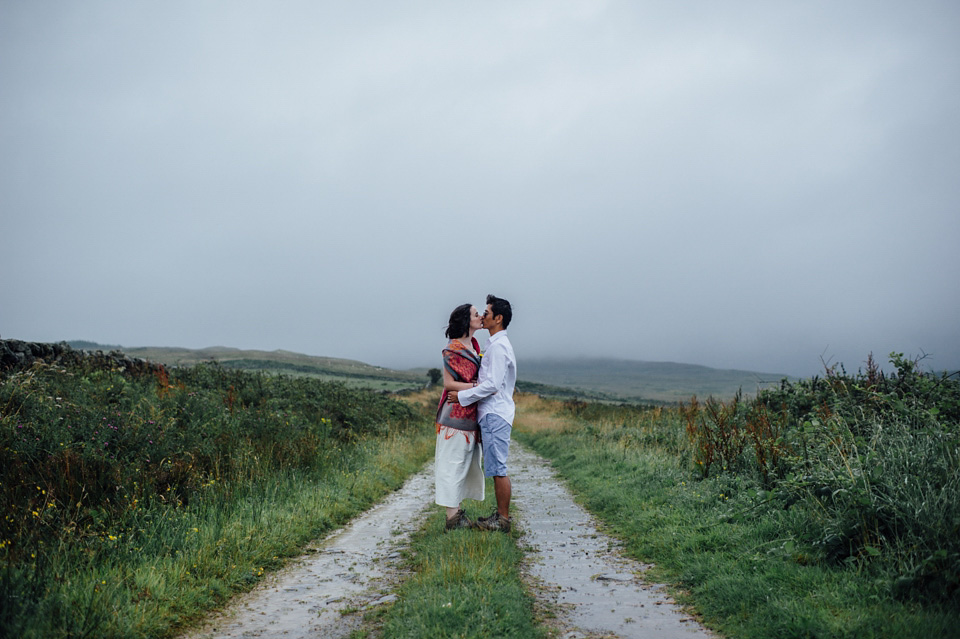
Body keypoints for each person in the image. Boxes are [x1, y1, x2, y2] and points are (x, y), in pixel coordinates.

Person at [449, 294, 516, 533]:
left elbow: (492, 385)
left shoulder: (498, 347)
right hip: (492, 413)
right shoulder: (493, 345)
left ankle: (503, 520)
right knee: (495, 466)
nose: (483, 316)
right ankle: (499, 516)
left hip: (495, 413)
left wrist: (462, 397)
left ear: (498, 318)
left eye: (486, 313)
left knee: (498, 467)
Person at [435, 303, 485, 531]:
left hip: (470, 414)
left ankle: (457, 516)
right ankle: (452, 519)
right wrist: (476, 387)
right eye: (476, 314)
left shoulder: (475, 347)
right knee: (452, 465)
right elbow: (448, 384)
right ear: (466, 321)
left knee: (465, 464)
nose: (481, 316)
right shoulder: (452, 350)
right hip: (454, 416)